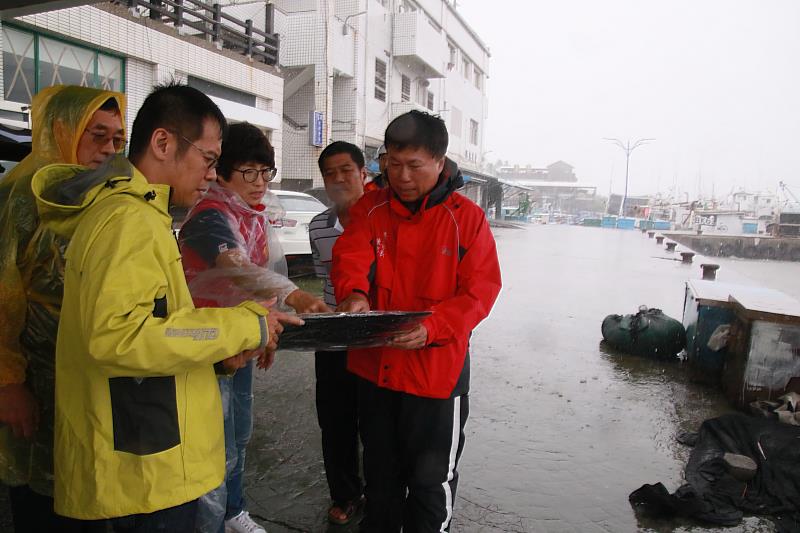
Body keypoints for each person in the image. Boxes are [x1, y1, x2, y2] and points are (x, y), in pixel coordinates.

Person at [30, 83, 302, 532]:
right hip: (140, 474)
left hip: (146, 453)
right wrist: (241, 327)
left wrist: (220, 355)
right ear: (163, 143)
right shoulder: (129, 220)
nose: (212, 175)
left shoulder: (145, 214)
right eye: (210, 159)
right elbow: (120, 337)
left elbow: (159, 324)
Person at [332, 110, 502, 532]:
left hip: (435, 375)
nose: (402, 176)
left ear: (440, 163)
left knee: (430, 481)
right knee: (381, 478)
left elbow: (481, 292)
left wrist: (433, 326)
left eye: (414, 166)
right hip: (376, 371)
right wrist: (354, 294)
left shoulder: (467, 219)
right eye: (393, 163)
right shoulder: (371, 208)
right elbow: (350, 257)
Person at [179, 122, 328, 533]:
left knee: (239, 436)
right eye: (248, 172)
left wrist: (266, 335)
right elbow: (239, 270)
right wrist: (294, 295)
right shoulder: (210, 216)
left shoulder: (252, 216)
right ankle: (209, 521)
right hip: (206, 347)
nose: (260, 182)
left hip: (241, 341)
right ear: (222, 171)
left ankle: (231, 511)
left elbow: (259, 280)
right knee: (212, 444)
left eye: (266, 173)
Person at [0, 85, 126, 532]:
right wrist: (9, 384)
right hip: (33, 370)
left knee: (81, 489)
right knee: (40, 492)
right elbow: (3, 294)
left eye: (117, 139)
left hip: (79, 368)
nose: (109, 149)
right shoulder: (19, 193)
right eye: (97, 135)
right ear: (61, 128)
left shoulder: (89, 190)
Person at [308, 141, 367, 525]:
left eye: (347, 170)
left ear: (364, 174)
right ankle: (345, 495)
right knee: (335, 421)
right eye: (330, 173)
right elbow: (321, 279)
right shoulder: (319, 226)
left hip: (374, 337)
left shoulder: (382, 220)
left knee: (377, 420)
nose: (339, 179)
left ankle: (381, 491)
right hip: (331, 336)